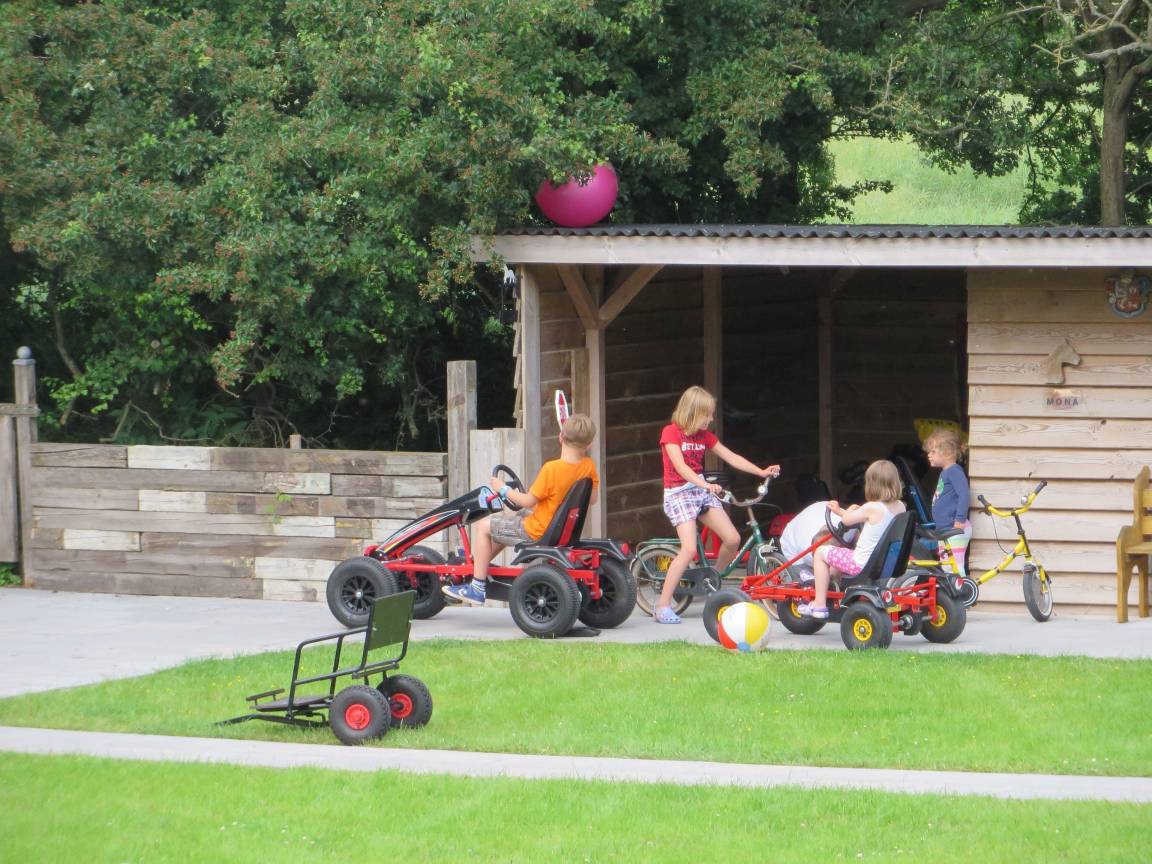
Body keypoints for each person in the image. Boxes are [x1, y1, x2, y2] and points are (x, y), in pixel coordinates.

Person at [443, 413, 599, 606]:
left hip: (537, 530)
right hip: (559, 528)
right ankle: (477, 564)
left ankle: (477, 587)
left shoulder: (552, 469)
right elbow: (592, 499)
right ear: (589, 445)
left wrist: (503, 489)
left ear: (561, 437)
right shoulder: (588, 466)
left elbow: (527, 501)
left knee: (483, 526)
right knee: (507, 523)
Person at [654, 386, 779, 624]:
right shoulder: (671, 433)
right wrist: (704, 484)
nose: (711, 419)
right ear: (694, 412)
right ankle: (662, 606)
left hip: (700, 490)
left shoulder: (704, 436)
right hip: (679, 494)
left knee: (732, 539)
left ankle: (713, 581)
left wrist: (761, 471)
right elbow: (680, 467)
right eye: (708, 414)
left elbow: (731, 457)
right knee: (688, 549)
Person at [798, 460, 905, 619]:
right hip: (883, 564)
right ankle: (822, 582)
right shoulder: (900, 506)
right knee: (840, 555)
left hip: (861, 564)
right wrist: (843, 512)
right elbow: (860, 518)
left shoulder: (872, 507)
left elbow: (847, 520)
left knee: (820, 552)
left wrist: (848, 509)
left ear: (871, 484)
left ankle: (819, 604)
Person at [924, 427, 971, 578]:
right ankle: (952, 591)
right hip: (945, 530)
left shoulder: (954, 471)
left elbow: (964, 494)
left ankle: (962, 589)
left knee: (955, 566)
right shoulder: (946, 472)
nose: (929, 455)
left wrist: (960, 519)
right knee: (947, 567)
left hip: (955, 528)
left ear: (948, 453)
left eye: (933, 451)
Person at [779, 500, 843, 582]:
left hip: (819, 513)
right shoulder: (808, 552)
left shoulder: (848, 529)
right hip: (791, 543)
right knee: (811, 580)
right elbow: (823, 572)